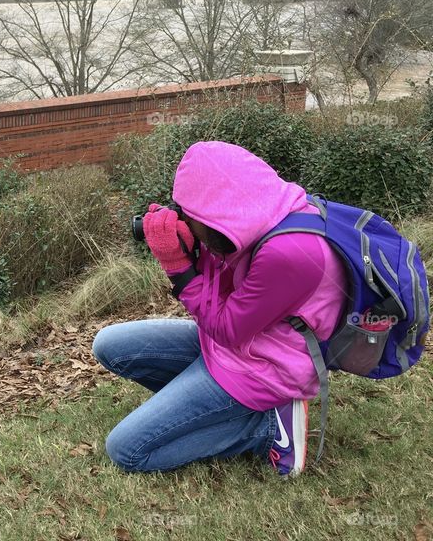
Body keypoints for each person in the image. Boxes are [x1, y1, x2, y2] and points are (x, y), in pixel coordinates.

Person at [92, 140, 347, 476]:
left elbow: (228, 328)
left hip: (264, 367)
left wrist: (178, 268)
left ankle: (265, 428)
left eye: (190, 214)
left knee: (127, 450)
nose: (186, 218)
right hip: (232, 348)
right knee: (109, 345)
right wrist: (194, 250)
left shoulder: (290, 252)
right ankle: (216, 410)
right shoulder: (253, 218)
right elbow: (223, 293)